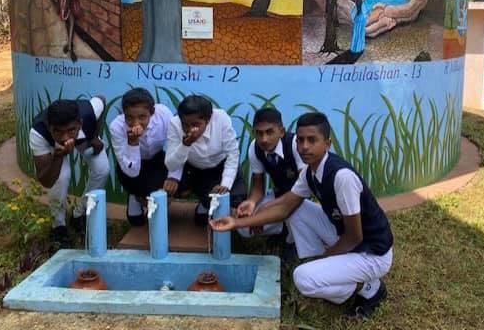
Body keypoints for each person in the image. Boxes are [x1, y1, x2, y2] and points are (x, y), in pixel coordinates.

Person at [211, 112, 394, 319]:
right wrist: (236, 222)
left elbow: (355, 237)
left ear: (328, 143)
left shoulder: (342, 177)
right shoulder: (310, 172)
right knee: (298, 209)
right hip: (344, 237)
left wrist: (325, 259)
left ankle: (369, 288)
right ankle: (327, 269)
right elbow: (285, 206)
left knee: (303, 278)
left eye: (312, 140)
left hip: (372, 253)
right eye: (300, 140)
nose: (304, 146)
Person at [29, 97, 109, 248]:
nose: (65, 138)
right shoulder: (38, 133)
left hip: (85, 135)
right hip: (54, 148)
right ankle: (58, 226)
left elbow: (102, 100)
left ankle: (80, 213)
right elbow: (46, 181)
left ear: (80, 123)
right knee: (61, 177)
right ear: (49, 126)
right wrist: (58, 156)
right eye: (58, 131)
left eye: (71, 130)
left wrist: (94, 135)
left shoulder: (90, 111)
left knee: (102, 169)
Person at [164, 95, 246, 225]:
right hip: (193, 167)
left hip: (220, 165)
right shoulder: (174, 124)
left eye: (195, 124)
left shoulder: (221, 119)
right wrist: (185, 145)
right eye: (185, 124)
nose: (189, 129)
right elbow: (171, 164)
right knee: (175, 189)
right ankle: (204, 200)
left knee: (234, 200)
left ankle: (205, 203)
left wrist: (226, 183)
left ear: (208, 120)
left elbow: (233, 153)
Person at [236, 108, 304, 255]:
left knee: (295, 211)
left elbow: (303, 189)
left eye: (269, 132)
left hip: (302, 199)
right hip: (279, 195)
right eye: (259, 133)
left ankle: (292, 242)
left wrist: (267, 209)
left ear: (281, 131)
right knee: (243, 227)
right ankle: (282, 230)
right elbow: (258, 188)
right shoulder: (255, 148)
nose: (264, 139)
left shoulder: (295, 144)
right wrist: (252, 203)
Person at [109, 88, 174, 226]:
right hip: (130, 166)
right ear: (123, 114)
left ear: (152, 112)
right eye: (130, 117)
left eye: (142, 117)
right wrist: (133, 143)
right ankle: (135, 195)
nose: (135, 122)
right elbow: (131, 170)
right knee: (137, 220)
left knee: (167, 194)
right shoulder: (116, 127)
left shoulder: (164, 115)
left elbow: (174, 146)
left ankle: (145, 196)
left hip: (156, 160)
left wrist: (172, 176)